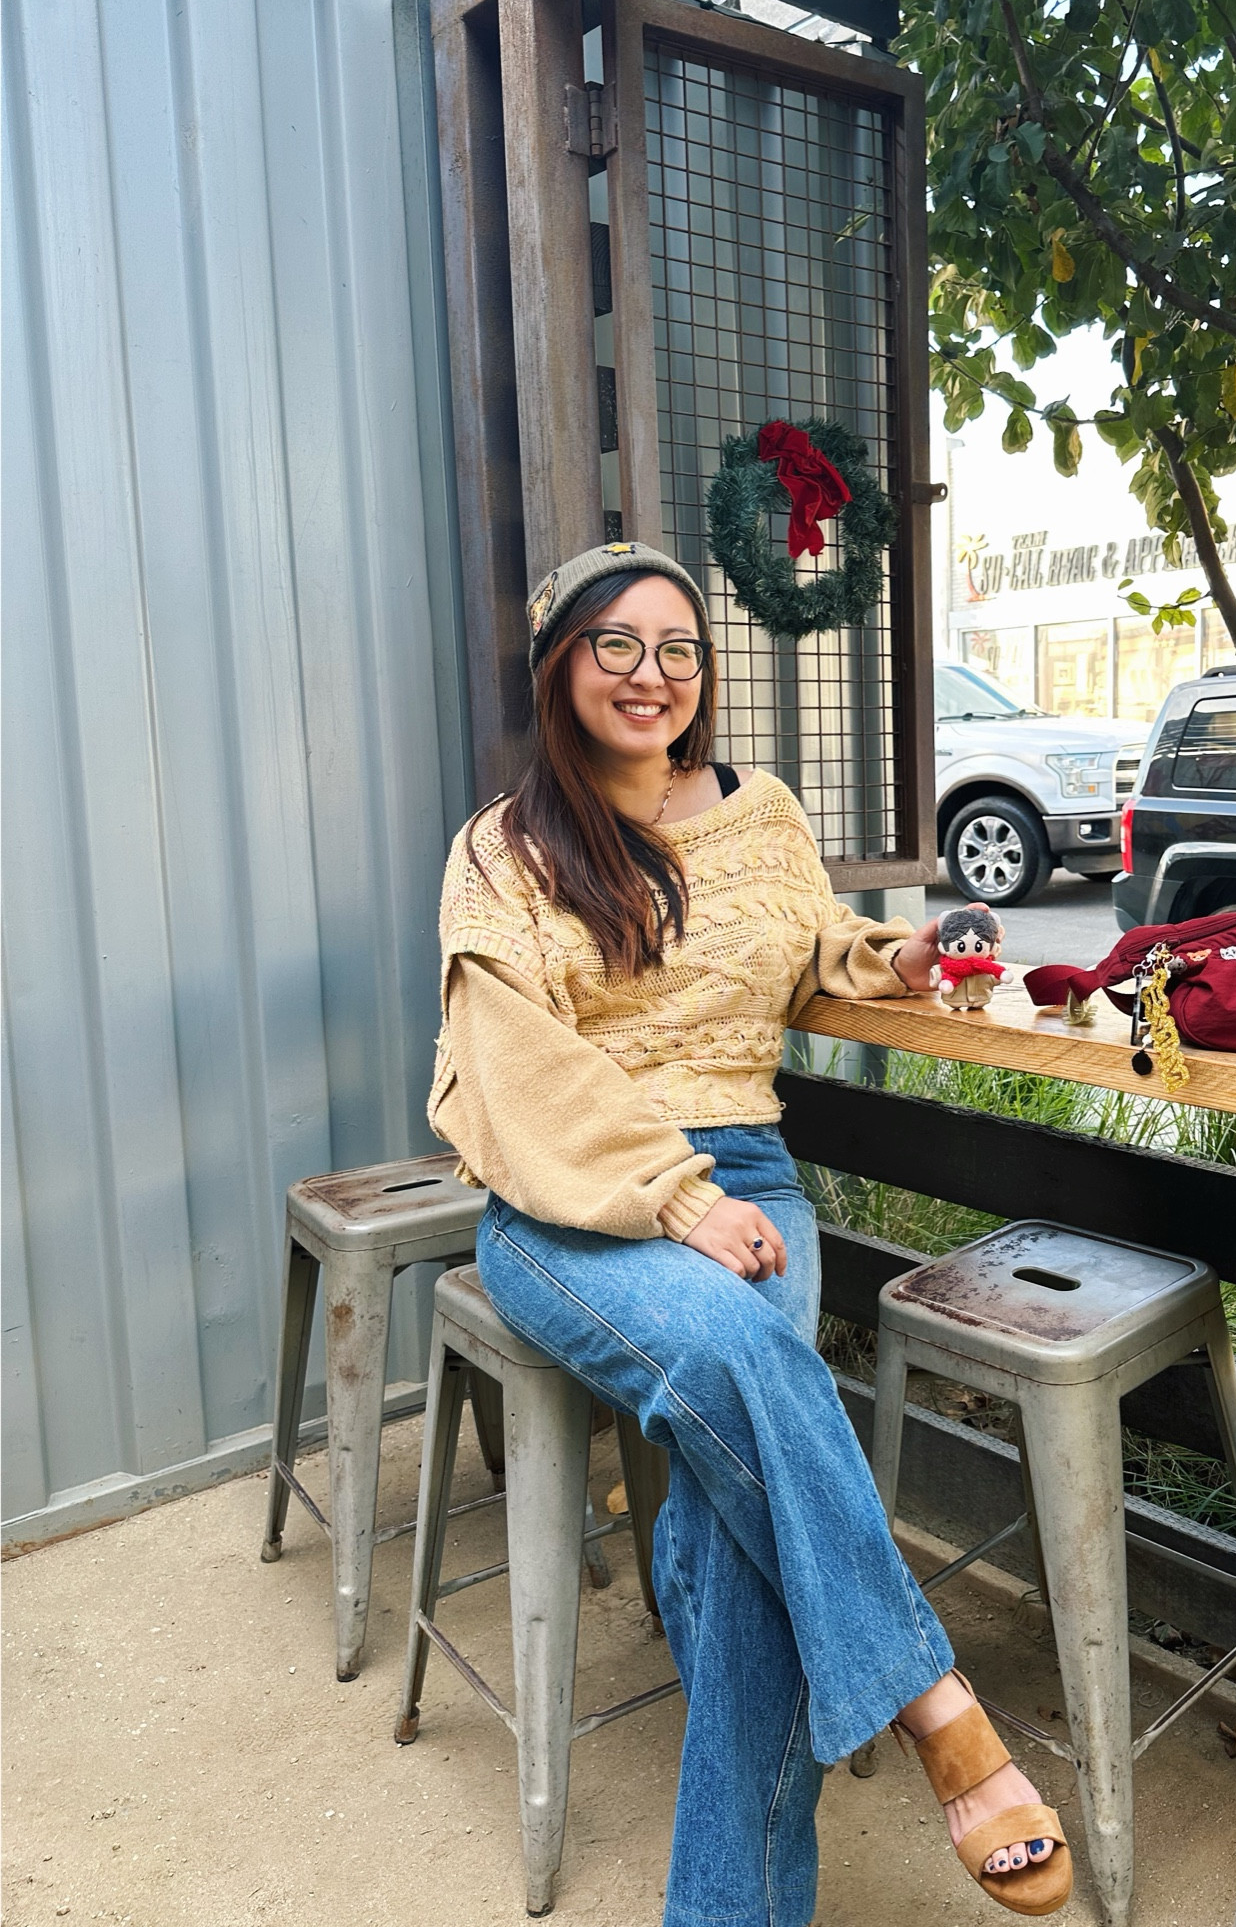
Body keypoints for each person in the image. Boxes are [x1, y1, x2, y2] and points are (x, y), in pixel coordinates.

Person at [430, 540, 1073, 1927]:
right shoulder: (503, 850)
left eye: (677, 649)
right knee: (749, 1371)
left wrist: (887, 959)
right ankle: (933, 1703)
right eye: (615, 645)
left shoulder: (760, 812)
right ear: (559, 666)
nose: (650, 675)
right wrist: (672, 1199)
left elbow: (802, 941)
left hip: (753, 1186)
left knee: (734, 1535)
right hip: (572, 1202)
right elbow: (513, 1071)